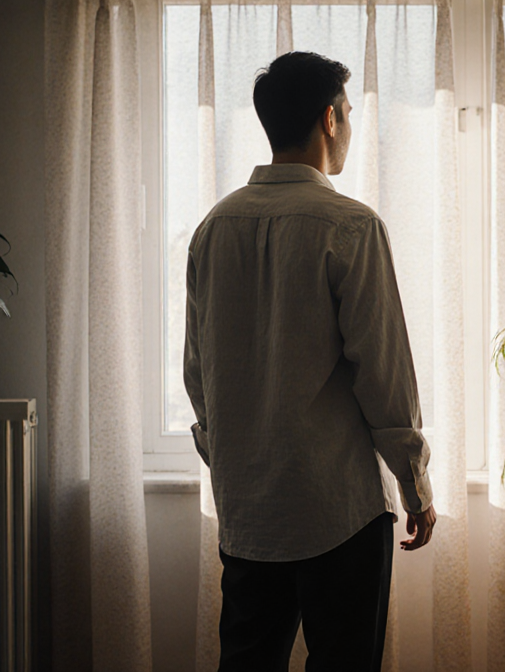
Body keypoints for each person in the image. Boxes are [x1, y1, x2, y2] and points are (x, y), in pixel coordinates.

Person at [183, 51, 436, 672]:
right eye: (347, 112)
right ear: (329, 118)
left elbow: (199, 373)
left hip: (249, 512)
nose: (348, 125)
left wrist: (234, 466)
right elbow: (384, 372)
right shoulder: (350, 225)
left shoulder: (213, 228)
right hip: (338, 508)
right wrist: (415, 481)